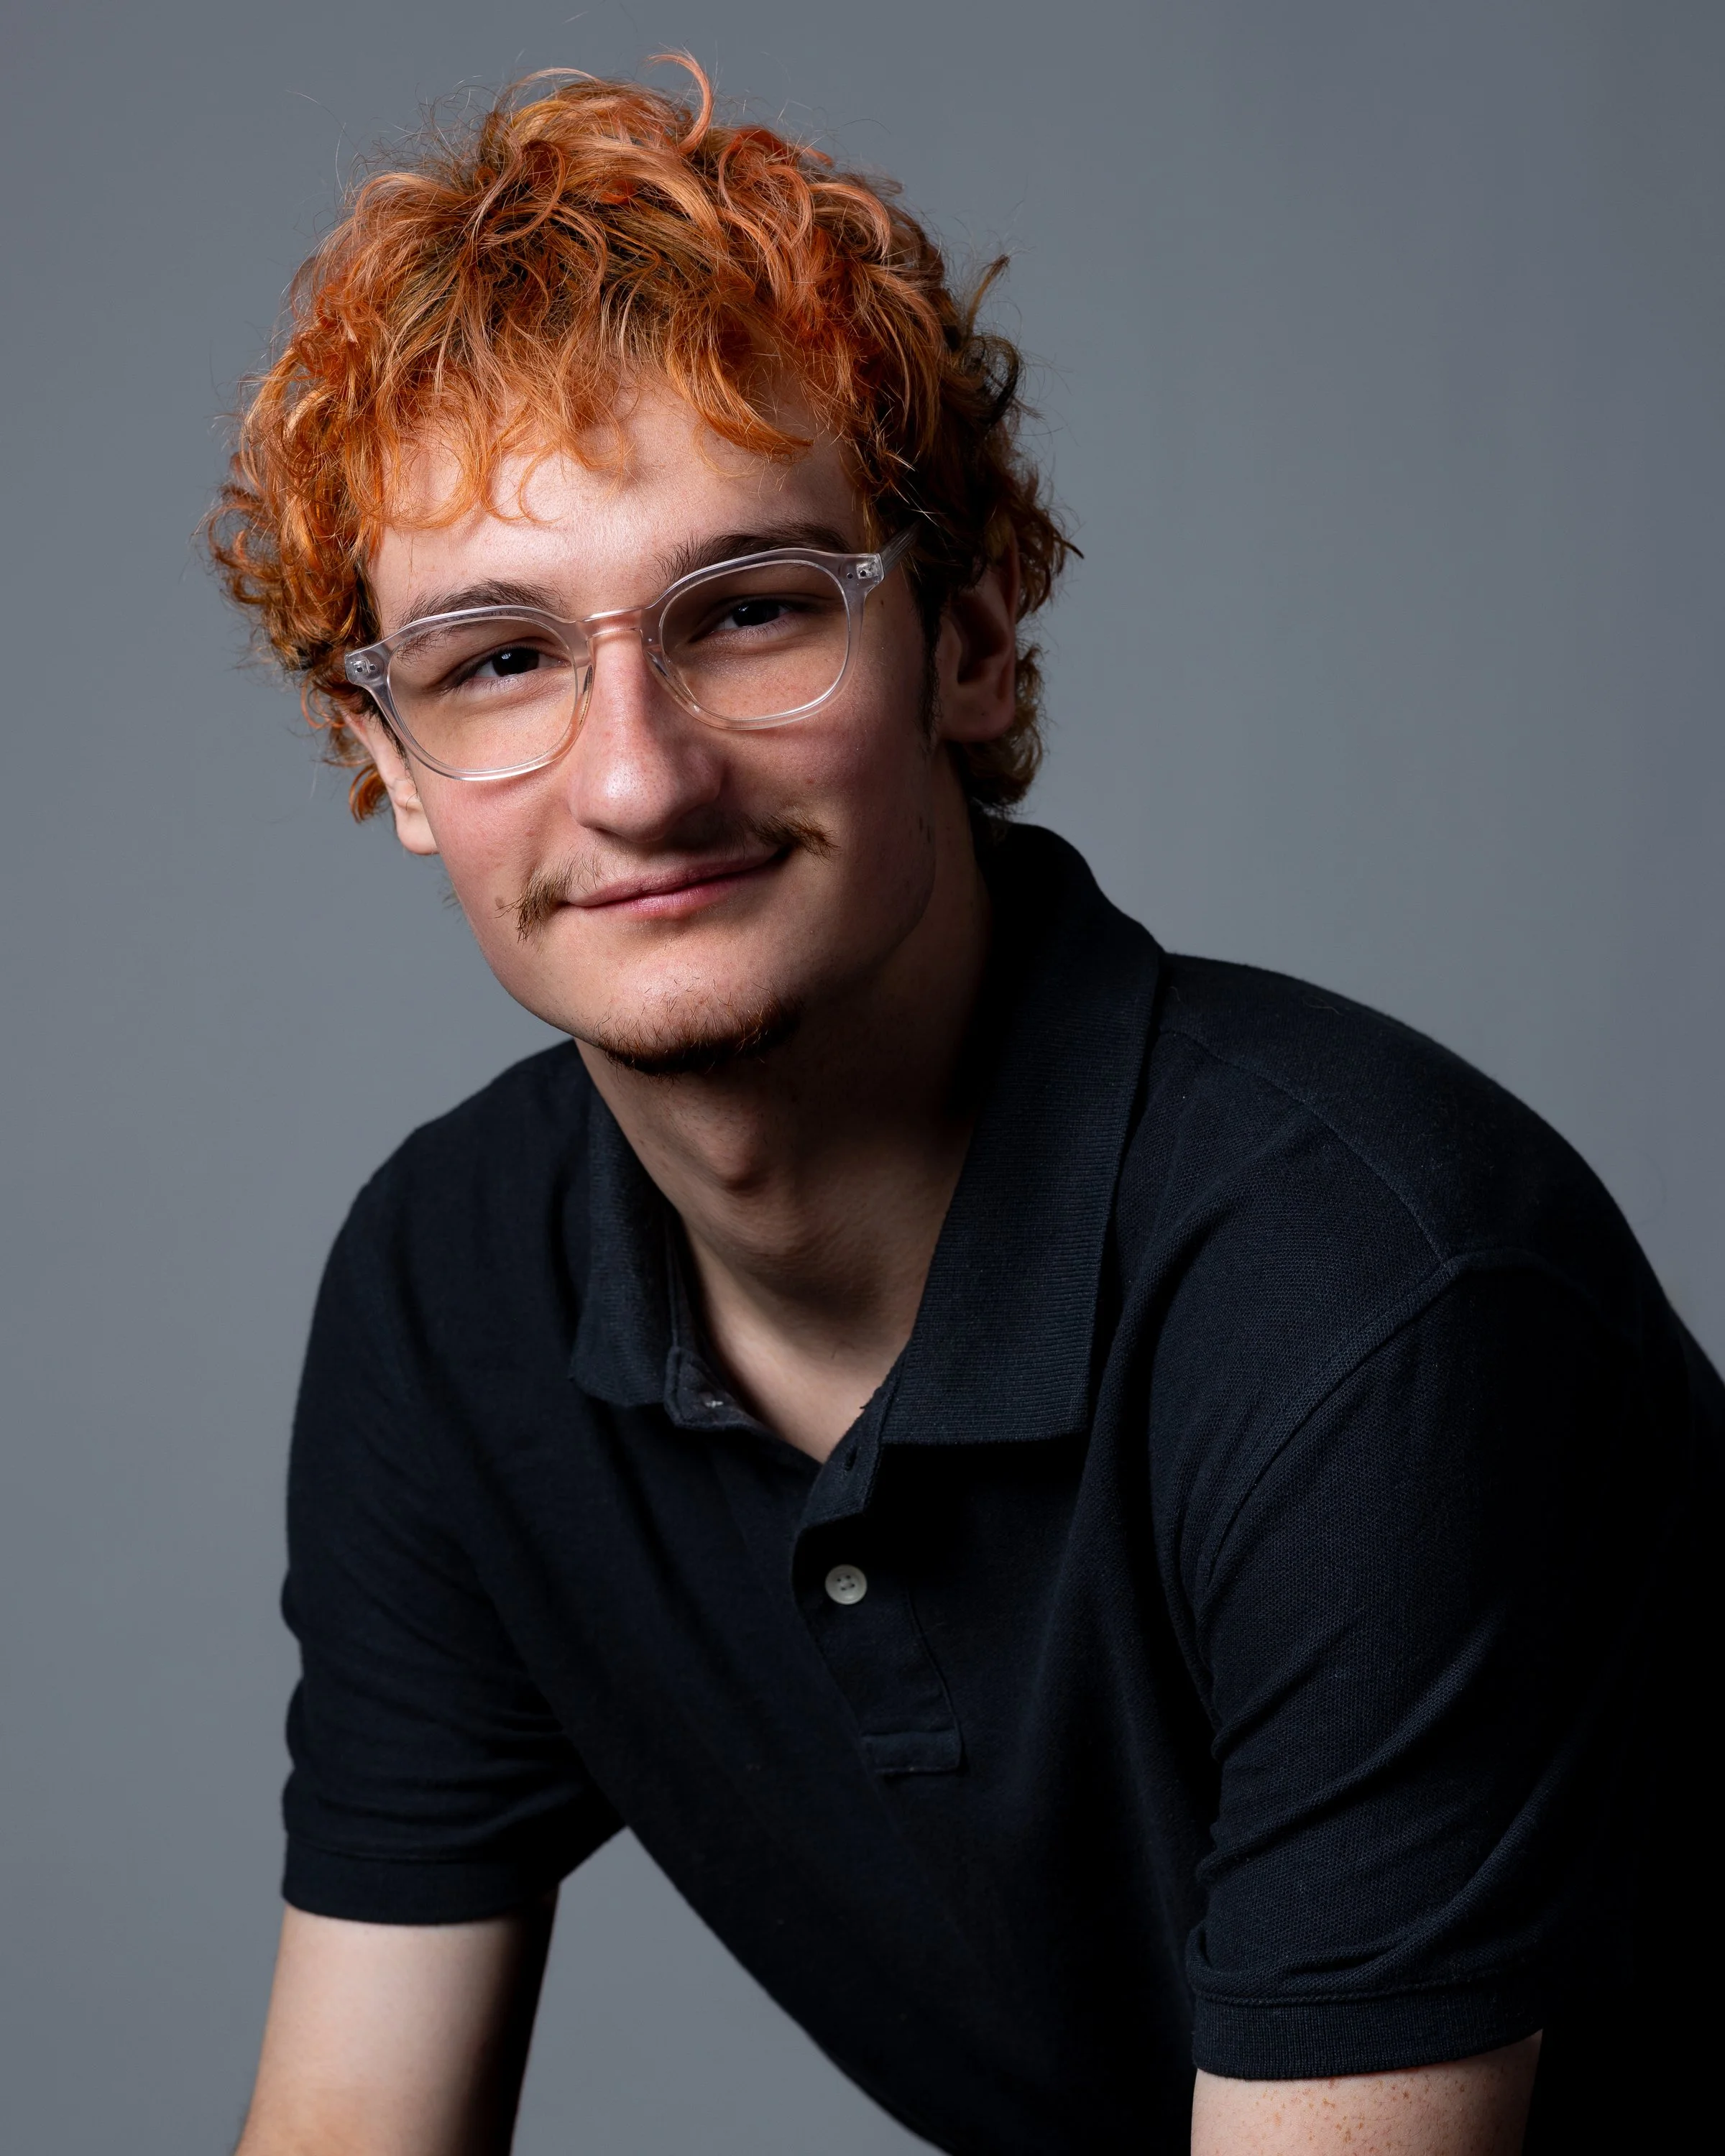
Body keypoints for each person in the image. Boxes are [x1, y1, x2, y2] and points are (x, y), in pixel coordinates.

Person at [211, 60, 1719, 2156]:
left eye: (749, 613)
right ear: (382, 760)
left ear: (976, 639)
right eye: (495, 663)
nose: (637, 778)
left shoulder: (1369, 1301)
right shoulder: (449, 1294)